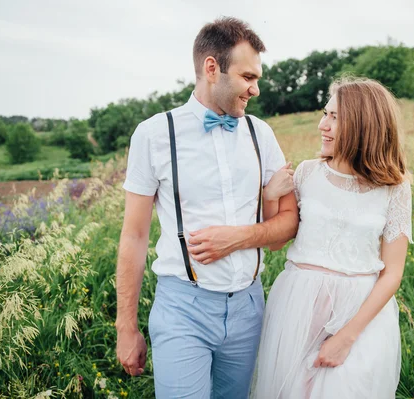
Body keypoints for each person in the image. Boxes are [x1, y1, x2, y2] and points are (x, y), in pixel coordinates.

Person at [115, 17, 299, 399]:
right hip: (183, 307)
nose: (257, 89)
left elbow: (287, 224)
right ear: (212, 68)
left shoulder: (260, 134)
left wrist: (238, 238)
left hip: (250, 306)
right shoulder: (153, 134)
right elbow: (134, 236)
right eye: (248, 76)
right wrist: (125, 327)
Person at [253, 78, 413, 398]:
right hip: (298, 305)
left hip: (359, 313)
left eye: (335, 117)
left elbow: (393, 273)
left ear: (362, 125)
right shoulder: (307, 174)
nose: (322, 125)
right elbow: (273, 242)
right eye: (325, 114)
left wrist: (346, 337)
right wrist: (270, 196)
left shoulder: (394, 187)